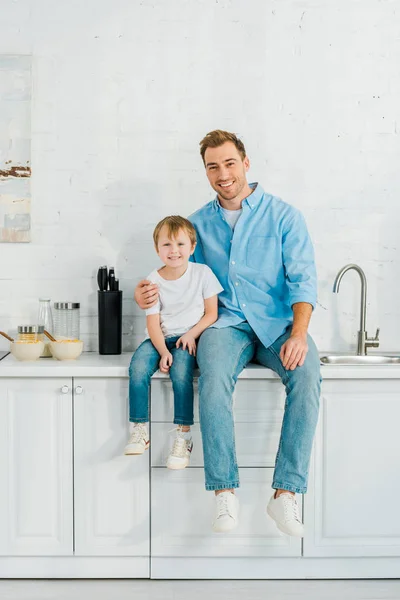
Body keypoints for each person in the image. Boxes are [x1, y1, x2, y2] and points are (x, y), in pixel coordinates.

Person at [135, 130, 321, 535]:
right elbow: (180, 277)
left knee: (307, 376)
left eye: (229, 163)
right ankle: (224, 492)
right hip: (224, 325)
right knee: (213, 377)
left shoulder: (284, 216)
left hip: (276, 327)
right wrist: (147, 292)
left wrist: (300, 333)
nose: (223, 173)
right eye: (213, 166)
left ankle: (285, 496)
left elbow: (303, 281)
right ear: (205, 171)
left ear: (246, 162)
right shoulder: (197, 224)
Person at [125, 215, 223, 470]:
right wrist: (161, 351)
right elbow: (152, 323)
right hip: (159, 337)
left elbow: (212, 314)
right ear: (157, 249)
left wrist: (191, 335)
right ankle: (139, 429)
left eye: (180, 244)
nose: (174, 251)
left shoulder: (203, 274)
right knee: (137, 369)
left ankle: (183, 435)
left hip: (187, 338)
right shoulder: (152, 281)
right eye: (166, 245)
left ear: (192, 247)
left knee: (181, 374)